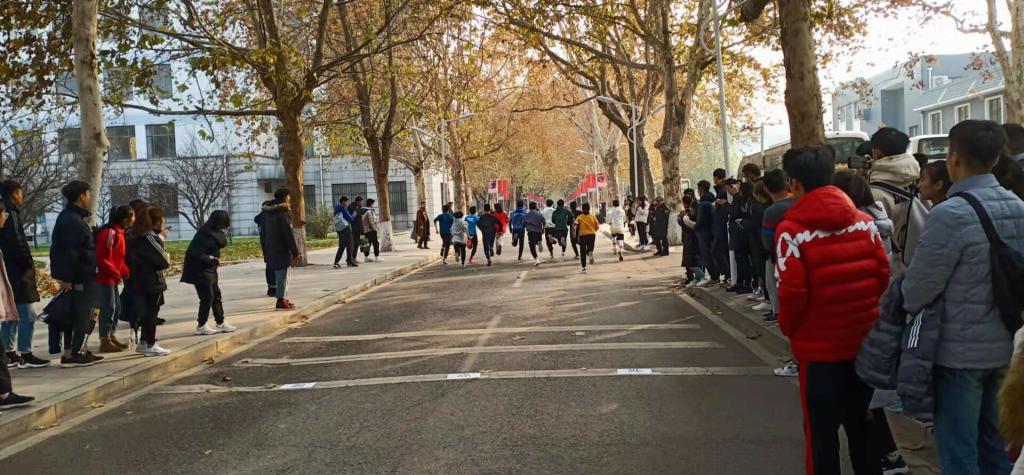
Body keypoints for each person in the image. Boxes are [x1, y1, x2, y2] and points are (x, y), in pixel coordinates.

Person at [901, 120, 1024, 475]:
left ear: (953, 158)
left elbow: (918, 290)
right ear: (996, 158)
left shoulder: (948, 214)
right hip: (1007, 344)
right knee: (995, 445)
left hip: (958, 352)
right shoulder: (1018, 205)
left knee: (958, 449)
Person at [775, 146, 890, 475]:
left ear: (794, 183)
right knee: (863, 426)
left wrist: (790, 330)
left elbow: (792, 295)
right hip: (863, 343)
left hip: (818, 352)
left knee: (821, 435)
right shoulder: (865, 224)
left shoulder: (791, 232)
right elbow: (882, 275)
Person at [833, 171, 910, 473]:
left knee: (868, 395)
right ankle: (888, 453)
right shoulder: (879, 219)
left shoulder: (858, 226)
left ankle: (887, 454)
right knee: (874, 392)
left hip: (866, 316)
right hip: (881, 312)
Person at [50, 181, 103, 368]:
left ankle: (77, 351)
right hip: (80, 277)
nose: (90, 197)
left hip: (82, 275)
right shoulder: (71, 221)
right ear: (81, 196)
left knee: (80, 314)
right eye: (88, 193)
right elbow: (67, 252)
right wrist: (65, 277)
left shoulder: (71, 218)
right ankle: (74, 354)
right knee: (83, 314)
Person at [0, 181, 47, 367]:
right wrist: (28, 263)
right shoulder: (10, 213)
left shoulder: (6, 212)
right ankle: (25, 353)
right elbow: (17, 243)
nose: (22, 196)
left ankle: (9, 353)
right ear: (14, 193)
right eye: (21, 192)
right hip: (17, 271)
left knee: (11, 313)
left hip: (8, 270)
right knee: (27, 313)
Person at [867, 127, 923, 273]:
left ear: (877, 152)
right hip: (923, 254)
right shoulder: (922, 178)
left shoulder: (874, 192)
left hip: (895, 266)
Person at [125, 206, 172, 357]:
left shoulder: (133, 235)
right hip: (151, 280)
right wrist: (162, 239)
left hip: (138, 280)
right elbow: (164, 261)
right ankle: (150, 344)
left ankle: (144, 342)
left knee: (148, 313)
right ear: (156, 221)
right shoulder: (149, 237)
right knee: (151, 314)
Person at [182, 210, 236, 336]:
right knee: (207, 297)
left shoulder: (216, 232)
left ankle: (220, 322)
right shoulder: (204, 234)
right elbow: (194, 254)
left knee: (216, 295)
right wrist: (210, 259)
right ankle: (201, 325)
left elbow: (222, 243)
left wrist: (213, 261)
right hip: (199, 269)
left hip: (210, 268)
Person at [94, 205, 134, 353]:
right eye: (132, 218)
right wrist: (116, 273)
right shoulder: (110, 232)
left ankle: (111, 335)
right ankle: (104, 339)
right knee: (108, 308)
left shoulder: (120, 232)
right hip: (105, 277)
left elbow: (119, 257)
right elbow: (103, 258)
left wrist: (124, 271)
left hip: (113, 277)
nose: (133, 221)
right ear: (125, 220)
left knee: (116, 307)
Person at [760, 169, 792, 327]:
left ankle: (778, 313)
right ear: (787, 184)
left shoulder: (771, 211)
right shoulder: (799, 202)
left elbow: (767, 241)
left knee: (774, 285)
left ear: (766, 189)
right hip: (799, 253)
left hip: (777, 257)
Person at [263, 189, 300, 310]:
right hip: (282, 248)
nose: (289, 199)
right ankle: (280, 300)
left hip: (271, 246)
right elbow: (288, 234)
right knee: (283, 275)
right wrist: (295, 251)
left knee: (279, 274)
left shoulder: (268, 213)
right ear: (285, 197)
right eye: (288, 196)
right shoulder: (283, 213)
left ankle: (282, 297)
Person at [726, 181, 753, 294]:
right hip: (737, 233)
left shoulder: (742, 200)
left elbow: (734, 213)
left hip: (741, 234)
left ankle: (747, 283)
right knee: (739, 259)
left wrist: (734, 198)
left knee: (743, 260)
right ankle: (739, 282)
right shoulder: (738, 199)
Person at [693, 182, 717, 285]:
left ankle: (714, 277)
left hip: (704, 233)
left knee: (707, 256)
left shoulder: (703, 204)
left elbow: (700, 221)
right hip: (712, 231)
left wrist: (694, 226)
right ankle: (715, 276)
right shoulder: (712, 200)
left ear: (700, 189)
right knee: (712, 255)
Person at [254, 199, 277, 296]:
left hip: (265, 246)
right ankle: (274, 288)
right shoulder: (268, 218)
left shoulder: (260, 218)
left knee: (269, 267)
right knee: (274, 268)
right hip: (273, 246)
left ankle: (271, 288)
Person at [679, 196, 703, 285]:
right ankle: (695, 278)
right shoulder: (693, 212)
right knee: (693, 260)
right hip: (692, 238)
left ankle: (700, 277)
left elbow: (687, 225)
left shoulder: (690, 214)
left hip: (691, 239)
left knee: (691, 261)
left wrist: (682, 218)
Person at [333, 197, 358, 268]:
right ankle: (349, 262)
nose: (347, 203)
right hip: (346, 229)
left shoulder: (336, 208)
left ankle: (336, 262)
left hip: (339, 230)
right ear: (343, 202)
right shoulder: (343, 208)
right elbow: (350, 219)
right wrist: (354, 214)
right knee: (350, 245)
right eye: (347, 202)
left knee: (341, 246)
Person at [711, 189, 731, 277]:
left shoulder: (726, 208)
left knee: (719, 252)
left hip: (723, 234)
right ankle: (726, 273)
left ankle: (727, 273)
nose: (718, 201)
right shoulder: (718, 208)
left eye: (721, 199)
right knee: (718, 252)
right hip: (718, 233)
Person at [576, 203, 599, 273]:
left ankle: (584, 268)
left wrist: (575, 231)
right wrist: (593, 230)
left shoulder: (579, 217)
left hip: (583, 235)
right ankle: (590, 252)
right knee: (590, 248)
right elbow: (597, 225)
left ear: (582, 209)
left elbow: (575, 223)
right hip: (592, 235)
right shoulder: (592, 216)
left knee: (582, 252)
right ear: (589, 209)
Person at [524, 202, 546, 266]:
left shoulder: (527, 215)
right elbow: (544, 222)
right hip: (538, 231)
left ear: (529, 207)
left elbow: (524, 224)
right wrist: (543, 229)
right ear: (536, 207)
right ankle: (538, 242)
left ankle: (536, 260)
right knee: (537, 240)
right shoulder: (539, 214)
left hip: (530, 231)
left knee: (532, 246)